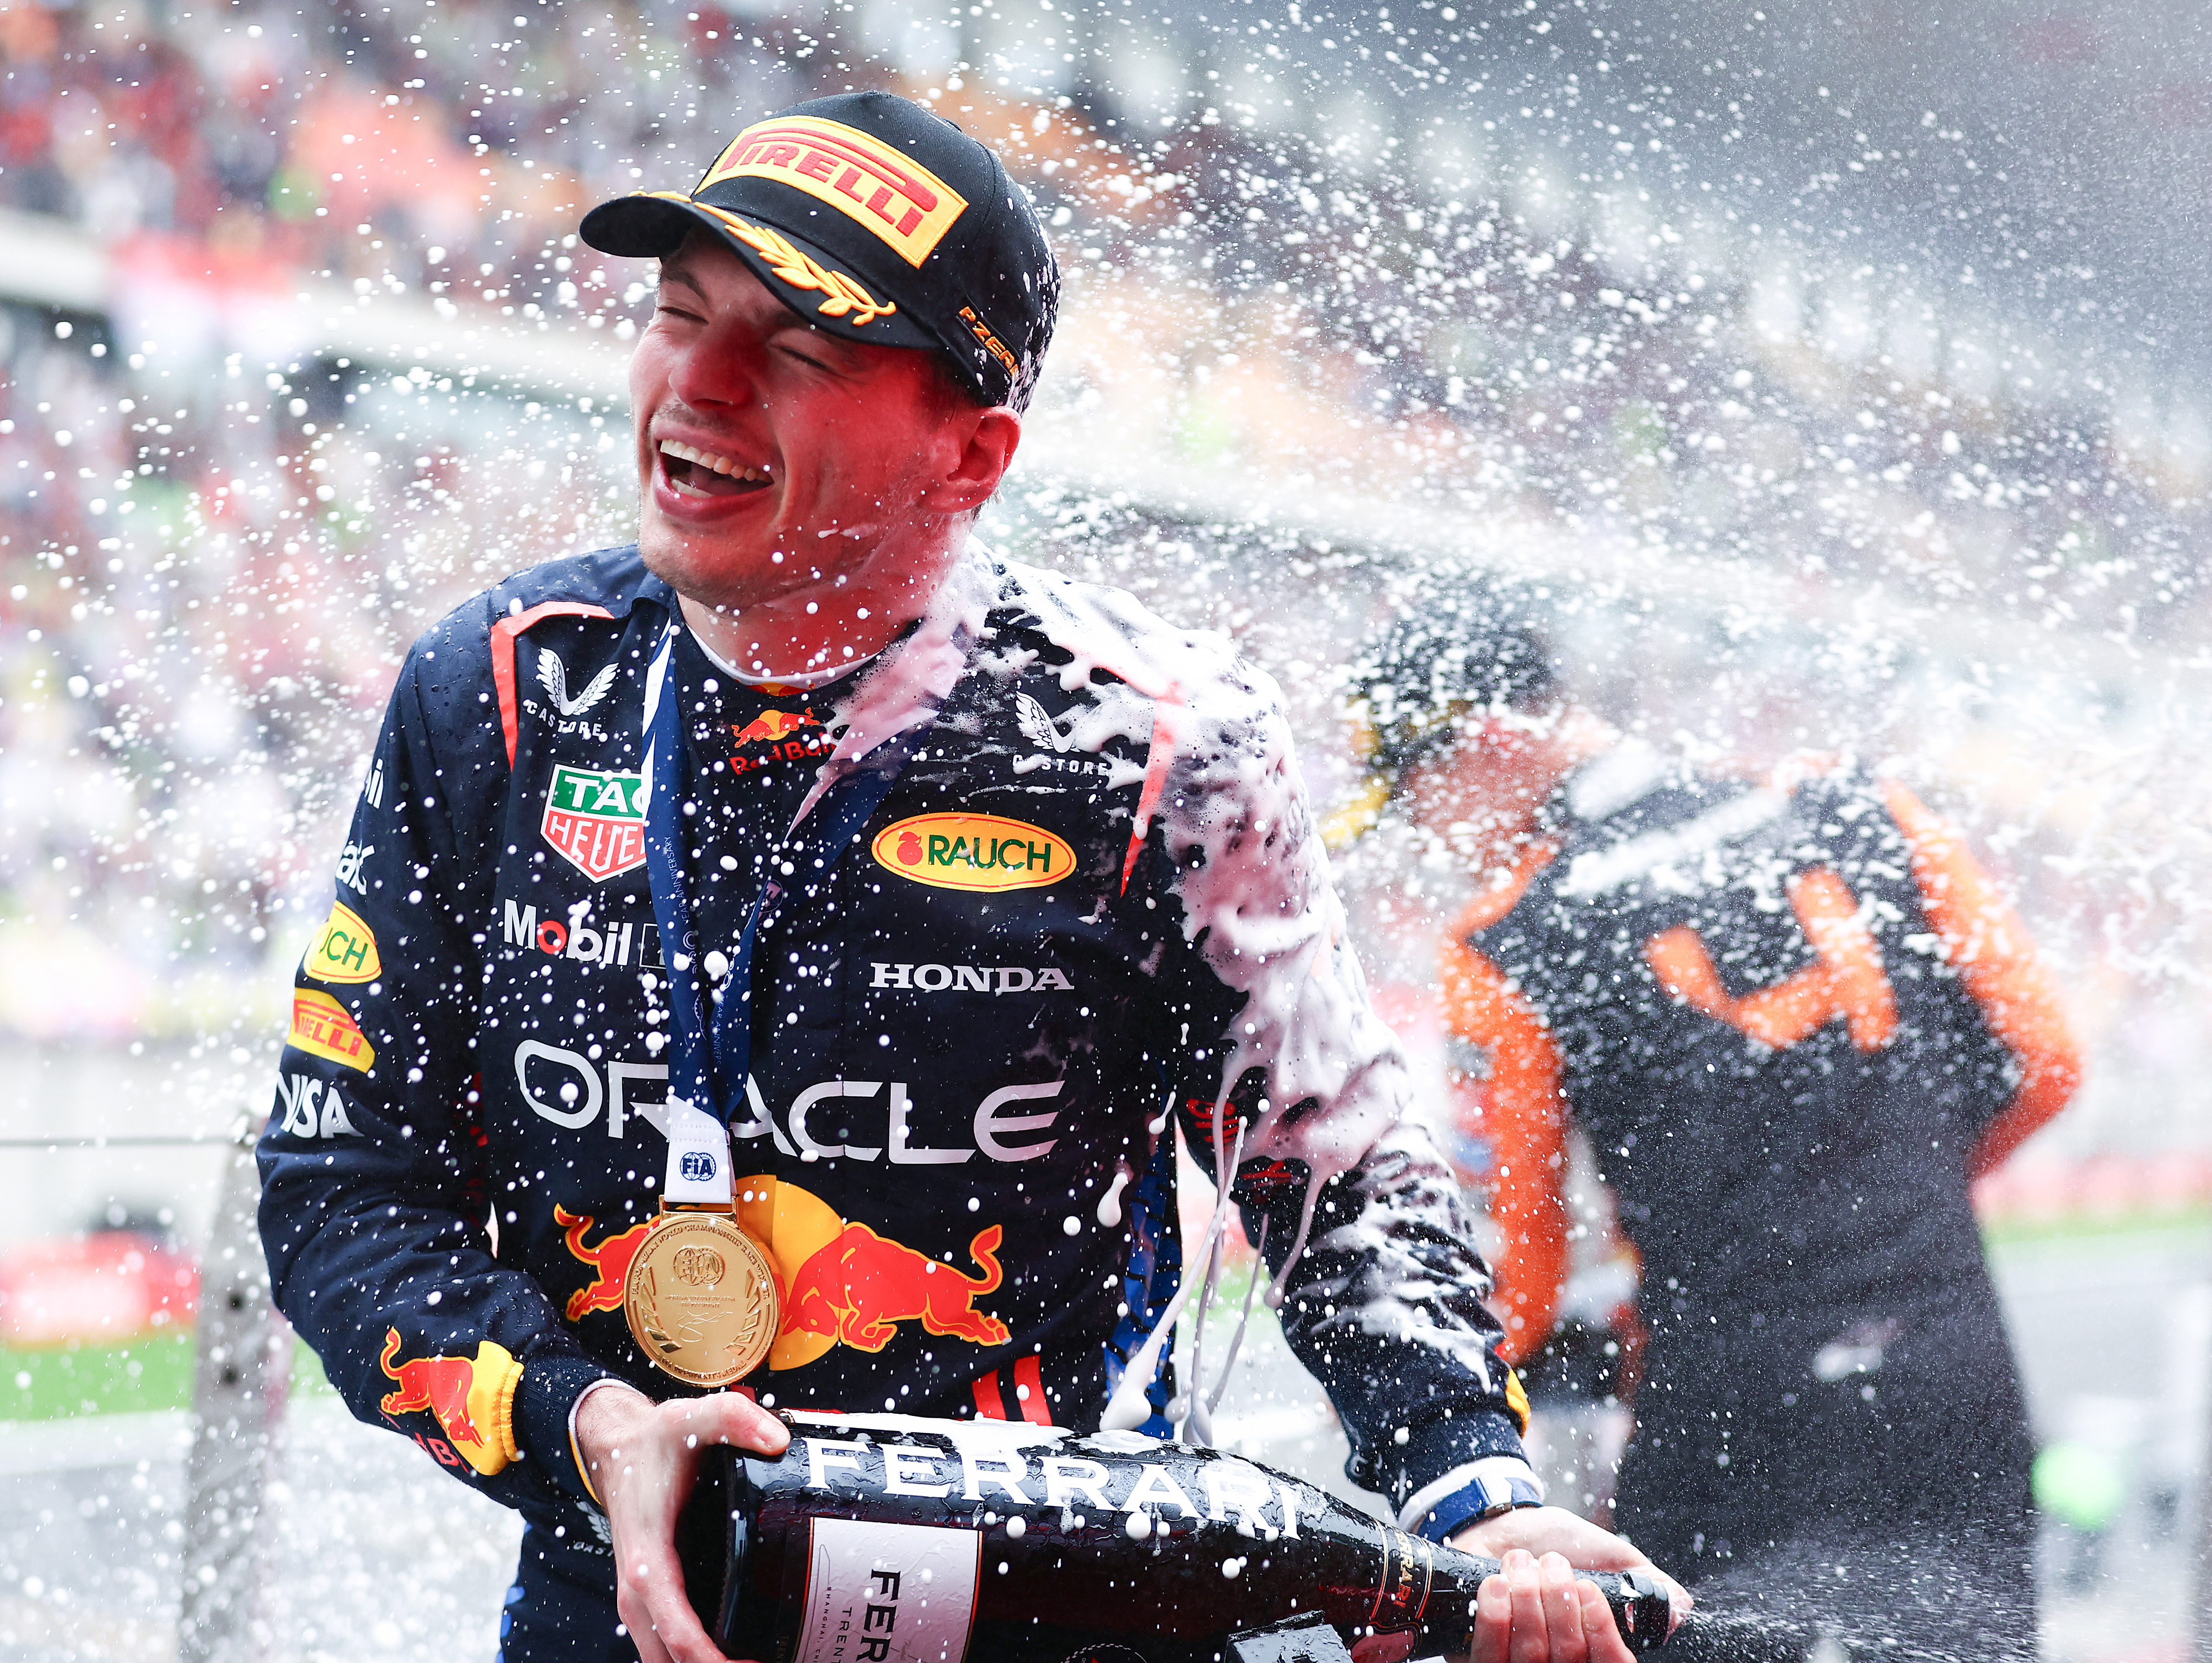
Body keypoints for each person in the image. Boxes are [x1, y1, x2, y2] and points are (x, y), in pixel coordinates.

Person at [258, 93, 1679, 1663]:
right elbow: (342, 1187)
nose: (701, 382)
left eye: (796, 350)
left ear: (972, 453)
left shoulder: (1158, 750)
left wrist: (1476, 1490)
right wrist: (583, 1418)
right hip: (628, 1600)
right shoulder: (505, 688)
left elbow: (1337, 1174)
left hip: (1062, 1605)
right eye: (679, 314)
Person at [1339, 598, 2082, 1650]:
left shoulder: (1506, 938)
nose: (1425, 831)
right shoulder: (1862, 806)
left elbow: (1517, 1276)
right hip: (1943, 1362)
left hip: (1732, 1404)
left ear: (1491, 741)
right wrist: (1888, 1203)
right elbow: (2047, 1065)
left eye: (1417, 794)